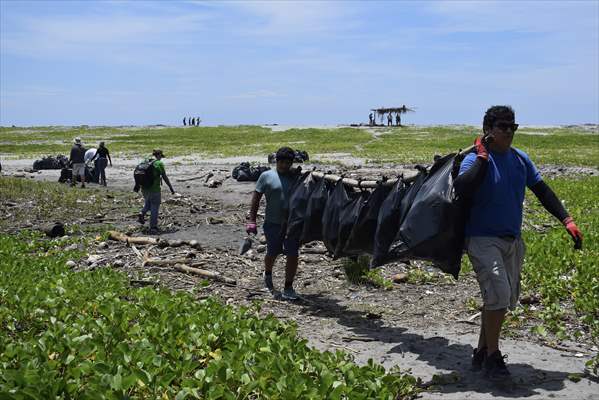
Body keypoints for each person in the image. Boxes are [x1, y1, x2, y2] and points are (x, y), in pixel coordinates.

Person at [454, 105, 583, 381]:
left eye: (513, 127)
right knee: (499, 294)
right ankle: (493, 358)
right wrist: (482, 158)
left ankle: (480, 352)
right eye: (503, 127)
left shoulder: (520, 159)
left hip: (512, 241)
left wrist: (567, 219)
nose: (509, 132)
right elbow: (463, 188)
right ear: (488, 130)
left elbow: (542, 191)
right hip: (481, 239)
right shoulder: (474, 160)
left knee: (501, 299)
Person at [246, 146, 301, 300]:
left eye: (288, 163)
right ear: (277, 161)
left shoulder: (295, 177)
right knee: (272, 252)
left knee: (292, 254)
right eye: (282, 162)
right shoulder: (266, 176)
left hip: (292, 224)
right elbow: (256, 199)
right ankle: (268, 273)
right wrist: (252, 220)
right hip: (272, 223)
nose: (284, 166)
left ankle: (288, 286)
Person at [137, 149, 176, 234]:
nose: (161, 158)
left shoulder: (145, 161)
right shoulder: (159, 163)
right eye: (161, 156)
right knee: (154, 207)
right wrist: (171, 188)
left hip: (144, 188)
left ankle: (141, 213)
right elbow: (165, 177)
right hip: (154, 189)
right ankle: (153, 227)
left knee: (148, 203)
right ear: (159, 155)